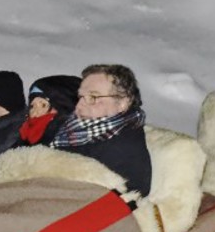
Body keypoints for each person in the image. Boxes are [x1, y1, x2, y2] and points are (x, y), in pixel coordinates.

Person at [50, 62, 152, 195]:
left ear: (122, 103)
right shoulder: (71, 127)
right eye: (80, 96)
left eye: (93, 97)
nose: (80, 105)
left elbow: (124, 199)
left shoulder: (122, 148)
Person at [18, 74, 81, 146]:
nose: (35, 112)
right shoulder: (20, 133)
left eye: (43, 105)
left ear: (62, 107)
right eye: (32, 106)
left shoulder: (69, 137)